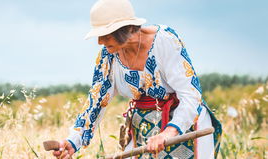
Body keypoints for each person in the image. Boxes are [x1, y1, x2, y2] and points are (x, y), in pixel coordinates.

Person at [52, 0, 222, 158]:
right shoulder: (108, 56)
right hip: (144, 128)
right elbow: (96, 102)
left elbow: (191, 95)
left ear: (125, 29)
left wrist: (168, 132)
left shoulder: (165, 41)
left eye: (106, 35)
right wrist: (74, 140)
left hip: (186, 126)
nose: (100, 41)